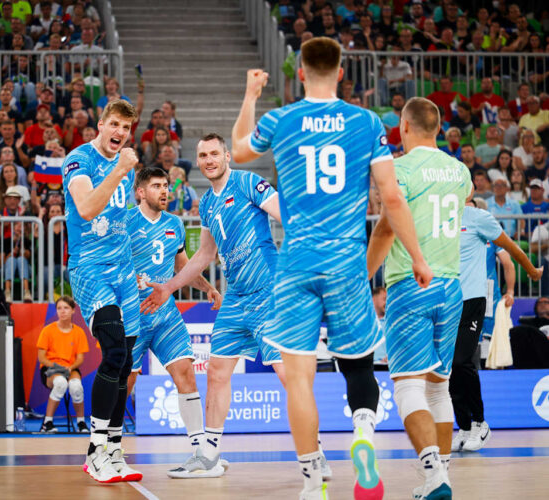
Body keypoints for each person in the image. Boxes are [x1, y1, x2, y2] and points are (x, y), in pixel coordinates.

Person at [230, 37, 428, 500]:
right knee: (358, 366)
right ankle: (363, 433)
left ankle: (312, 479)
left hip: (296, 263)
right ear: (341, 73)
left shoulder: (281, 120)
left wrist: (251, 96)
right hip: (346, 264)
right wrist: (418, 257)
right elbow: (391, 197)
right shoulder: (366, 122)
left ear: (300, 73)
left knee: (299, 378)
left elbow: (238, 152)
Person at [142, 133, 333, 481]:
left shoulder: (247, 183)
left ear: (227, 156)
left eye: (214, 153)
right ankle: (209, 456)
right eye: (203, 155)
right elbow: (204, 254)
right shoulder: (207, 203)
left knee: (287, 375)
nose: (209, 159)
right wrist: (169, 286)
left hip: (267, 293)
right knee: (216, 371)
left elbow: (286, 215)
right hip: (236, 297)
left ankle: (315, 452)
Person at [367, 97, 471, 500]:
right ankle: (441, 477)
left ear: (404, 127)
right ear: (439, 128)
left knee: (408, 386)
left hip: (411, 284)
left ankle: (434, 476)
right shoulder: (460, 171)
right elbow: (460, 205)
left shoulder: (400, 169)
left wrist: (362, 278)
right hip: (452, 286)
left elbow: (386, 229)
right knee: (439, 388)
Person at [62, 99, 141, 483]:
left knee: (126, 364)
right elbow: (87, 208)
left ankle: (113, 449)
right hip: (91, 270)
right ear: (101, 125)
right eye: (115, 125)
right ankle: (95, 452)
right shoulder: (79, 160)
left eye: (126, 128)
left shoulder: (127, 166)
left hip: (125, 272)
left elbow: (123, 219)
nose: (120, 133)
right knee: (113, 352)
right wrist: (120, 168)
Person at [125, 166, 222, 464]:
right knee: (124, 382)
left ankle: (200, 449)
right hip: (133, 315)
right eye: (156, 186)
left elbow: (183, 267)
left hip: (166, 316)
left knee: (186, 373)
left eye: (166, 185)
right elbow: (110, 263)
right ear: (141, 192)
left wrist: (207, 287)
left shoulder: (175, 224)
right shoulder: (126, 222)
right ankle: (108, 444)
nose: (164, 190)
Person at [451, 199, 541, 456]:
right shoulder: (442, 216)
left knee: (463, 360)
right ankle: (464, 426)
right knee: (450, 366)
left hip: (475, 299)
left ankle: (480, 423)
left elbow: (511, 254)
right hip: (448, 300)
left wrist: (531, 272)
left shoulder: (479, 218)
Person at [37, 295, 90, 434]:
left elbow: (80, 359)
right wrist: (56, 367)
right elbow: (41, 357)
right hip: (50, 369)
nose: (62, 311)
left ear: (73, 310)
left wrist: (69, 368)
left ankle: (81, 422)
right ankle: (47, 423)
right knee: (61, 383)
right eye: (59, 308)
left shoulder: (79, 332)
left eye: (66, 308)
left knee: (76, 387)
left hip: (70, 368)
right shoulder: (48, 330)